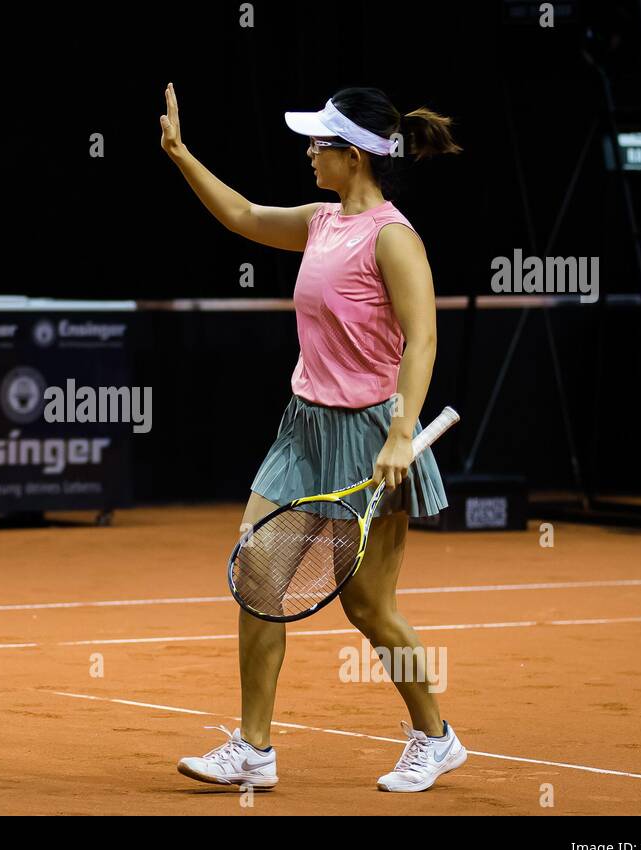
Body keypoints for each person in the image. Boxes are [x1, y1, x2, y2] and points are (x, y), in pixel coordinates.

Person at [161, 83, 465, 792]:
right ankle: (254, 748)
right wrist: (180, 154)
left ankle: (436, 735)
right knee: (258, 578)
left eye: (320, 142)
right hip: (301, 428)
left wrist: (397, 435)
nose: (309, 151)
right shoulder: (322, 221)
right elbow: (240, 214)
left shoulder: (393, 238)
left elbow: (422, 341)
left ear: (353, 156)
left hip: (370, 432)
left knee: (370, 607)